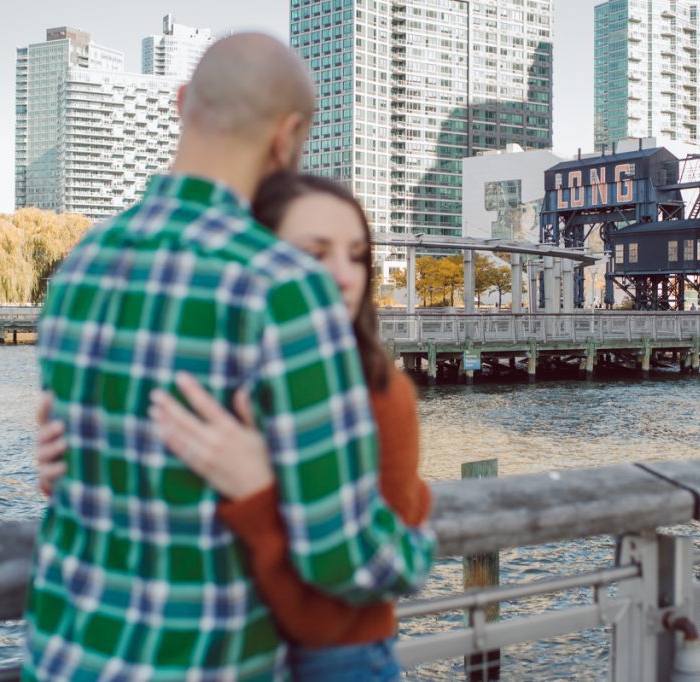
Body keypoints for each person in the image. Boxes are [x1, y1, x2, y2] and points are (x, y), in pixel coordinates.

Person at [26, 34, 434, 680]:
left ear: (183, 102)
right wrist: (415, 549)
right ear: (288, 136)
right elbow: (347, 561)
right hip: (204, 663)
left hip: (66, 657)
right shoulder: (280, 287)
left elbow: (81, 467)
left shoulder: (81, 265)